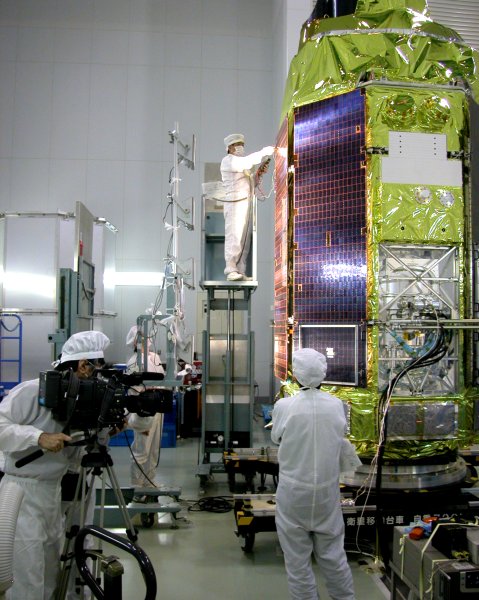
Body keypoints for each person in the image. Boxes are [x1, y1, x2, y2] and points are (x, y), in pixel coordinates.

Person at [0, 330, 110, 600]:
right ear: (83, 365)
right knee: (27, 574)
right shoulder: (31, 391)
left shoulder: (80, 401)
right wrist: (38, 437)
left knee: (50, 569)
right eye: (97, 368)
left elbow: (77, 448)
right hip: (21, 493)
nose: (98, 377)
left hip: (53, 492)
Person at [271, 348, 355, 600]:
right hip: (326, 495)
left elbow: (276, 437)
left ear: (295, 374)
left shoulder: (285, 406)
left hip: (293, 493)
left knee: (297, 562)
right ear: (323, 373)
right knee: (333, 556)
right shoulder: (337, 405)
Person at [220, 133, 274, 281]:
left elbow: (250, 184)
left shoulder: (241, 166)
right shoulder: (228, 161)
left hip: (245, 203)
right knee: (235, 236)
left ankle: (240, 271)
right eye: (237, 144)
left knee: (244, 239)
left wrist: (258, 174)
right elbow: (247, 162)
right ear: (229, 148)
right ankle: (230, 269)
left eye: (242, 144)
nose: (240, 147)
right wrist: (264, 152)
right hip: (234, 204)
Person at [125, 325, 165, 500]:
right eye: (142, 337)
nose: (147, 340)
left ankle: (149, 482)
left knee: (154, 449)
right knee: (141, 451)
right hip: (143, 410)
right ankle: (136, 487)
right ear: (135, 341)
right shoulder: (134, 362)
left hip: (157, 409)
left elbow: (163, 380)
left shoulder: (155, 357)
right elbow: (135, 390)